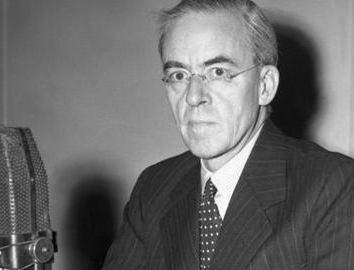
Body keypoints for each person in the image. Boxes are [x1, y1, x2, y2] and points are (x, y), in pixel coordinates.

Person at [101, 0, 354, 269]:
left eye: (218, 72)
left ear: (265, 86)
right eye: (178, 75)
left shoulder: (330, 186)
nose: (193, 96)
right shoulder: (154, 188)